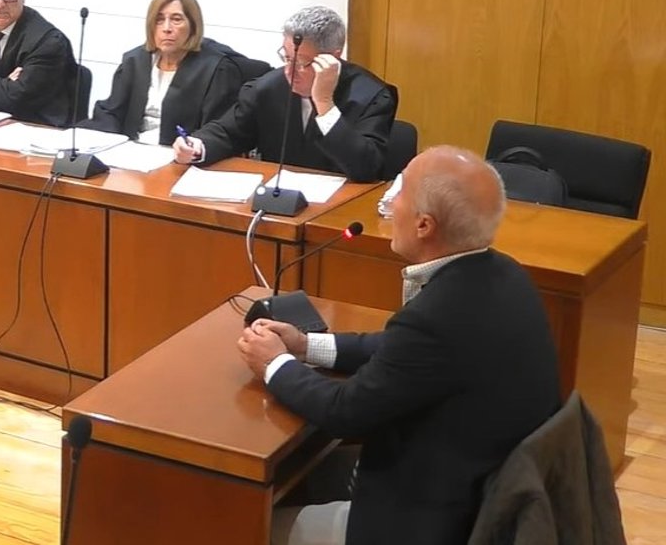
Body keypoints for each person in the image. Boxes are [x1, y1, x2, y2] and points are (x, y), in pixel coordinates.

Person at [238, 146, 561, 545]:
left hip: (432, 520)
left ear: (424, 225)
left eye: (400, 191)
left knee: (243, 523)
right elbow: (401, 350)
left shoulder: (438, 316)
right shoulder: (506, 275)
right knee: (302, 475)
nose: (389, 203)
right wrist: (306, 346)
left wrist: (274, 364)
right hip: (472, 482)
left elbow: (345, 413)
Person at [173, 6, 396, 182]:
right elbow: (229, 132)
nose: (289, 72)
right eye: (287, 58)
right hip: (274, 204)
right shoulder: (267, 88)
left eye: (300, 63)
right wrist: (197, 146)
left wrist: (324, 104)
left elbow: (366, 168)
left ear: (333, 59)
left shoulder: (372, 97)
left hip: (339, 210)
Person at [81, 0, 241, 144]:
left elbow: (217, 130)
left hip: (179, 154)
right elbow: (111, 112)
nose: (166, 28)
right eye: (159, 20)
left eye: (176, 19)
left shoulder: (214, 69)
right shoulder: (135, 62)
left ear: (193, 26)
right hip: (130, 150)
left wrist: (193, 147)